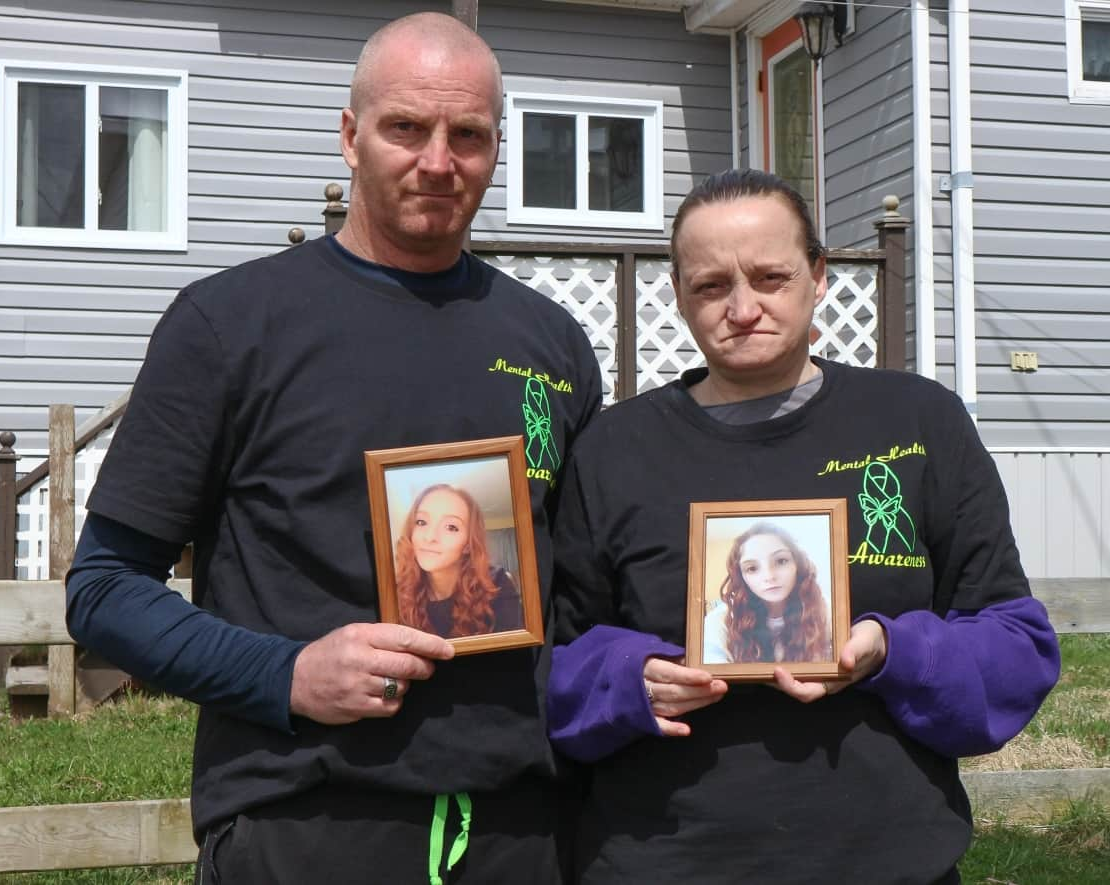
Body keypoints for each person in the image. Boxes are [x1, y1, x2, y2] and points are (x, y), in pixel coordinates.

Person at [65, 13, 601, 885]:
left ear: (497, 147)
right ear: (351, 137)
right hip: (306, 823)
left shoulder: (554, 344)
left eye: (468, 135)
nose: (439, 160)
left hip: (519, 830)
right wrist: (289, 673)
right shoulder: (228, 326)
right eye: (406, 128)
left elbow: (582, 589)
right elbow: (104, 590)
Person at [546, 169, 1060, 884]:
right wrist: (627, 680)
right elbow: (551, 667)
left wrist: (893, 650)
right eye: (711, 285)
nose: (743, 306)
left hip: (885, 859)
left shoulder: (919, 422)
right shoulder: (613, 451)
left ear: (818, 276)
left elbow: (1018, 649)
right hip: (664, 858)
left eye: (769, 276)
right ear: (678, 295)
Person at [397, 484, 522, 638]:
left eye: (451, 527)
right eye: (422, 522)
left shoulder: (498, 584)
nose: (429, 537)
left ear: (468, 546)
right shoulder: (399, 592)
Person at [703, 522, 831, 664]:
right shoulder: (720, 621)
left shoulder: (825, 609)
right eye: (752, 568)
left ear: (798, 564)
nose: (769, 576)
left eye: (781, 561)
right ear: (741, 576)